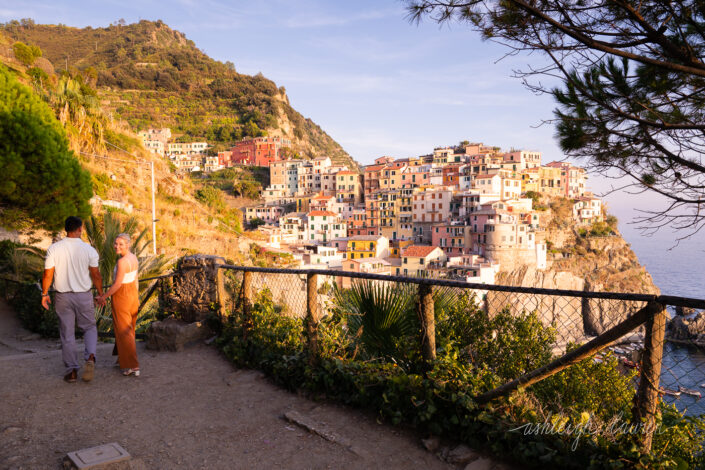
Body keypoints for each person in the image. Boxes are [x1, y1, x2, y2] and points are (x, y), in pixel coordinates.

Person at [42, 216, 104, 383]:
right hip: (83, 295)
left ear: (65, 229)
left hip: (63, 297)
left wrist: (44, 294)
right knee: (90, 327)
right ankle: (90, 356)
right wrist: (100, 293)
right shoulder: (89, 249)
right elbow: (96, 274)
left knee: (67, 334)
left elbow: (48, 274)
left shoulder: (54, 249)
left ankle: (72, 372)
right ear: (80, 229)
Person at [96, 233, 140, 377]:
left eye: (121, 244)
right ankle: (123, 358)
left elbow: (117, 284)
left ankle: (131, 366)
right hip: (132, 294)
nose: (117, 246)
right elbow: (135, 279)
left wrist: (103, 297)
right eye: (116, 243)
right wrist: (136, 296)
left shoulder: (122, 262)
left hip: (122, 295)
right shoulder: (133, 257)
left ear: (128, 245)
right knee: (129, 329)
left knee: (123, 330)